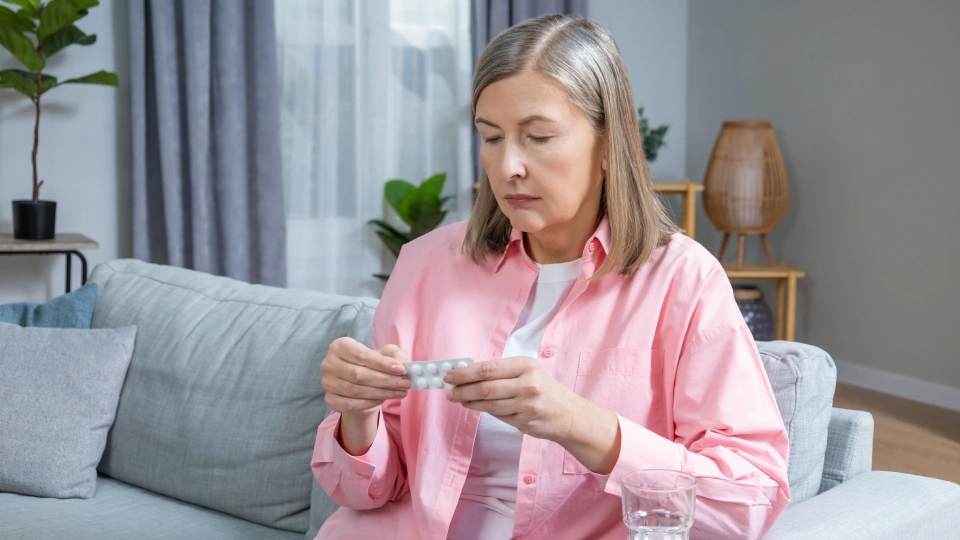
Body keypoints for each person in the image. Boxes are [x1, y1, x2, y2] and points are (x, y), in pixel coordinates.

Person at [311, 14, 790, 540]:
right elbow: (364, 492)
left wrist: (577, 423)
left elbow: (750, 500)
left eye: (538, 137)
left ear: (608, 145)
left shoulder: (683, 281)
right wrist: (359, 418)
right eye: (491, 138)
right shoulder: (427, 265)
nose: (508, 166)